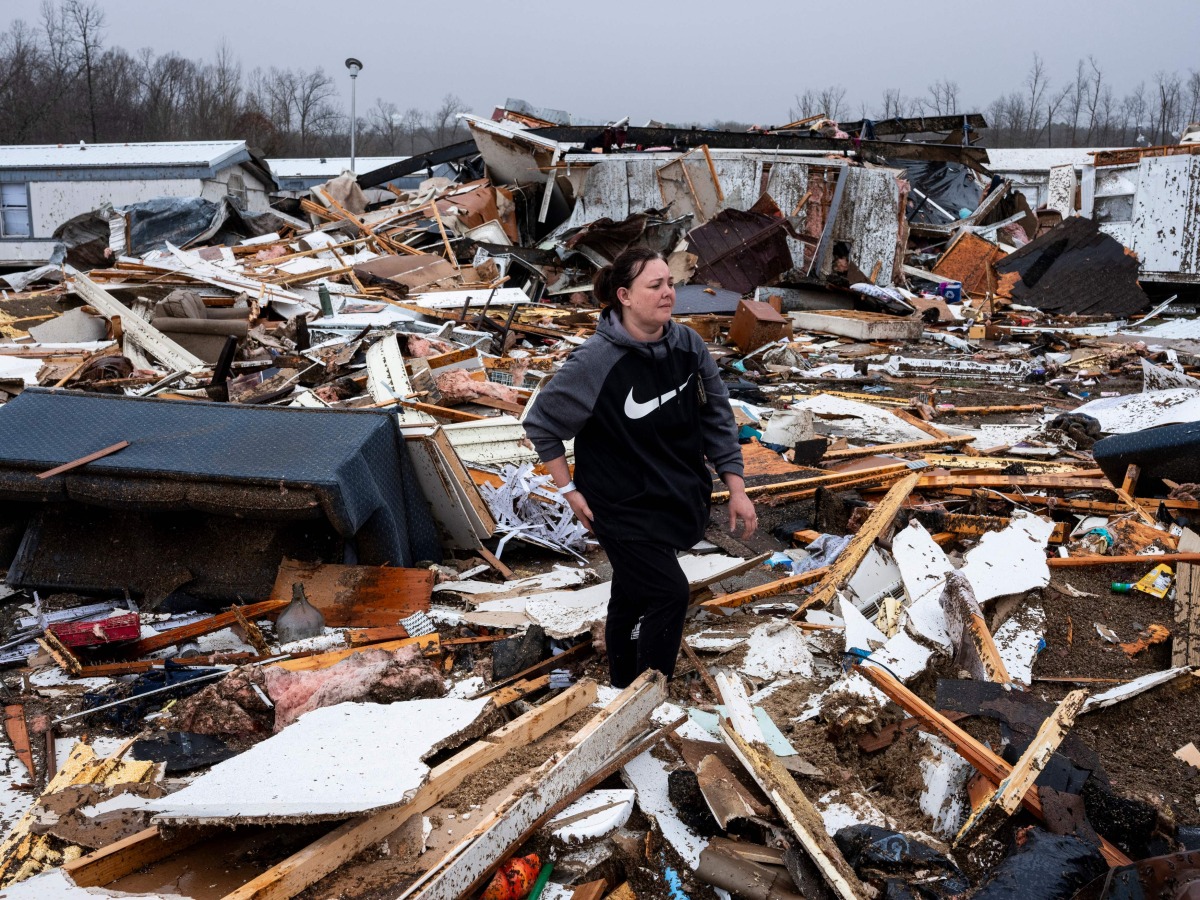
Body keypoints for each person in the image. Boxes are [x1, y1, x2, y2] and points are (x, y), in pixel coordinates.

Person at [523, 247, 757, 688]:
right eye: (656, 285)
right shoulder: (594, 361)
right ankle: (650, 695)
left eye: (670, 283)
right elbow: (542, 425)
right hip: (617, 504)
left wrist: (736, 486)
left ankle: (620, 687)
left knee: (630, 594)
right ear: (625, 296)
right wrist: (569, 491)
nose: (669, 293)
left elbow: (717, 416)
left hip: (671, 496)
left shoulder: (688, 345)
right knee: (669, 593)